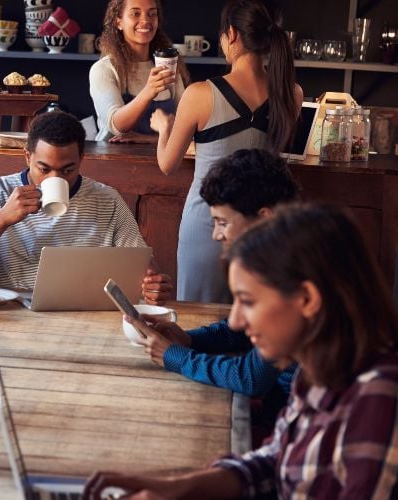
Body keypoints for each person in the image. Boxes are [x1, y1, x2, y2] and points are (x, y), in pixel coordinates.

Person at [85, 203, 398, 499]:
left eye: (248, 302)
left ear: (307, 299)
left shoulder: (378, 396)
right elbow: (277, 460)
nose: (235, 320)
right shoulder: (315, 367)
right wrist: (175, 487)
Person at [126, 149, 299, 432]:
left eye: (223, 223)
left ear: (264, 218)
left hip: (284, 422)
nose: (216, 235)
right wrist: (189, 340)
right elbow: (242, 331)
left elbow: (251, 377)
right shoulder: (283, 253)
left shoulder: (291, 274)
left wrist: (175, 356)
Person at [0, 111, 173, 303]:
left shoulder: (107, 200)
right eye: (44, 169)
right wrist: (2, 218)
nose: (55, 179)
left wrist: (151, 285)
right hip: (15, 317)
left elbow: (143, 269)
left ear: (81, 160)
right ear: (27, 157)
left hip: (87, 317)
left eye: (68, 170)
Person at [149, 0, 302, 303]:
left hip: (207, 225)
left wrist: (164, 129)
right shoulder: (291, 93)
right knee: (252, 324)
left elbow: (167, 164)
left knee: (198, 324)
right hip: (261, 228)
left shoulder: (200, 94)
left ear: (231, 34)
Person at [89, 0, 189, 143]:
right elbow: (116, 125)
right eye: (135, 14)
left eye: (152, 14)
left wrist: (146, 139)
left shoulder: (169, 65)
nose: (145, 20)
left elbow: (186, 126)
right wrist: (149, 91)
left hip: (162, 161)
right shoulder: (104, 69)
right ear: (119, 22)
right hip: (113, 161)